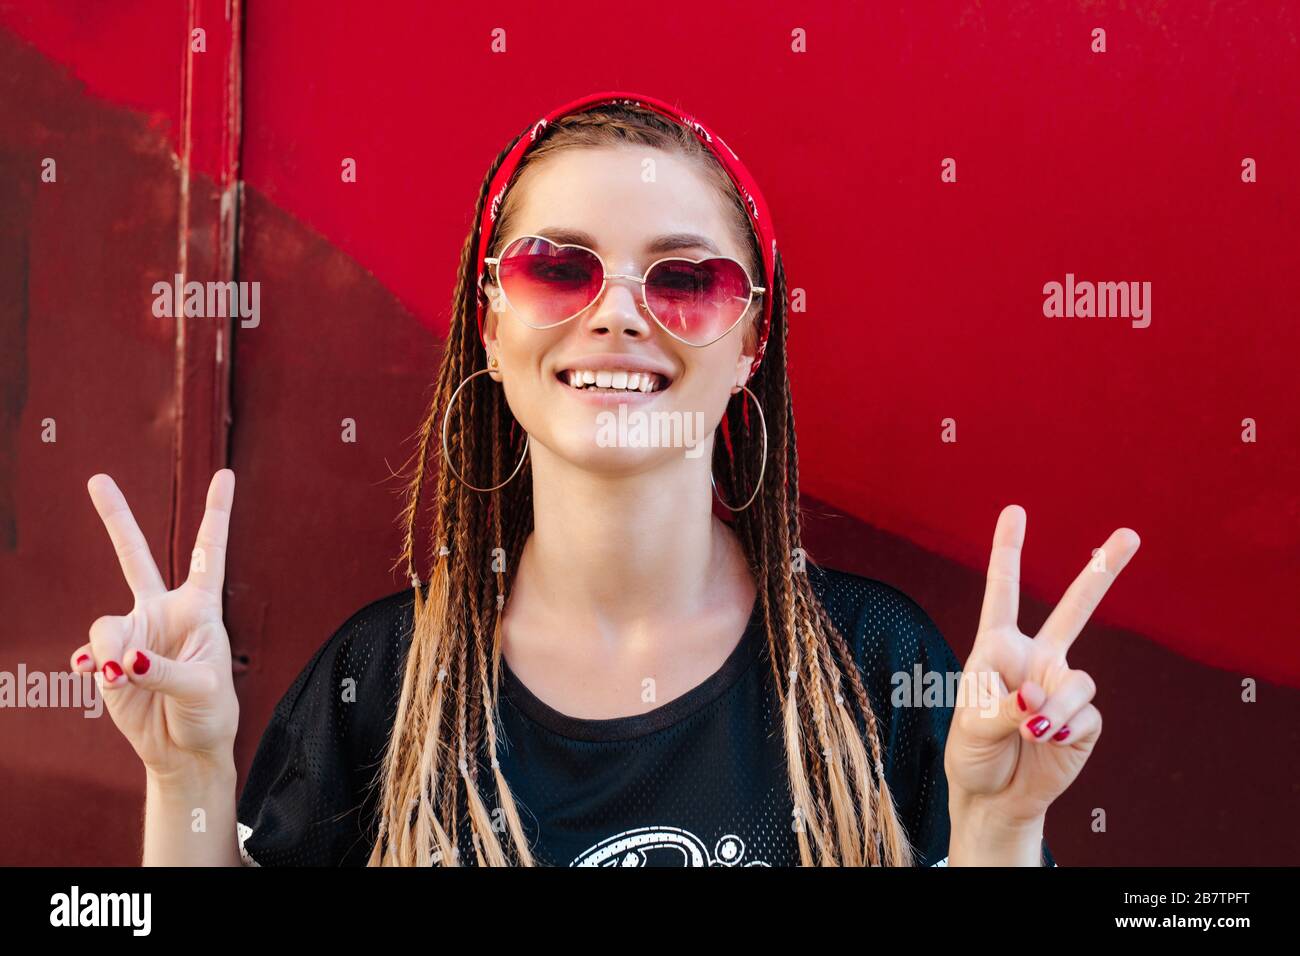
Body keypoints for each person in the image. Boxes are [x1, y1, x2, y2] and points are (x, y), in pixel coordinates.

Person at [74, 91, 1139, 867]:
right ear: (490, 324)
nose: (619, 311)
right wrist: (187, 779)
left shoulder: (883, 665)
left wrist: (999, 828)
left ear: (753, 338)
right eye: (558, 266)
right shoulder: (379, 681)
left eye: (684, 278)